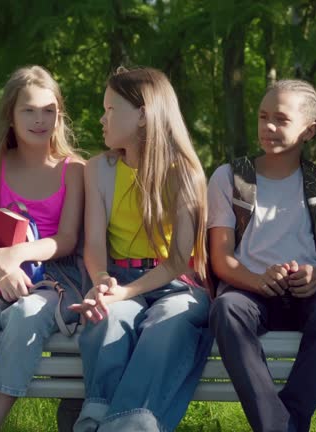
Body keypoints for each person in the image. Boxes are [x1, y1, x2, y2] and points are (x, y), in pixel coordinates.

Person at [70, 67, 213, 432]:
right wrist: (102, 280)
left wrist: (126, 292)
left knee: (169, 322)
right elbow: (94, 245)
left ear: (144, 115)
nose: (102, 119)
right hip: (117, 276)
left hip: (175, 283)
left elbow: (180, 259)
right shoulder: (98, 169)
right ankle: (96, 417)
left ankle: (128, 424)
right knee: (108, 318)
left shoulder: (183, 173)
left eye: (111, 109)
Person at [207, 79, 316, 432]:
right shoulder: (229, 178)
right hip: (249, 290)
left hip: (306, 295)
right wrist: (257, 279)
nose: (268, 127)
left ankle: (288, 421)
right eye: (263, 117)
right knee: (226, 309)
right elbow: (221, 260)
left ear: (309, 130)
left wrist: (314, 277)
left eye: (282, 119)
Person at [0, 65, 85, 432]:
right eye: (29, 110)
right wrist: (2, 268)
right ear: (10, 114)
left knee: (28, 314)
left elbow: (67, 238)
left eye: (48, 110)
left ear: (59, 114)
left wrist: (19, 255)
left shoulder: (74, 171)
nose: (40, 119)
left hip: (51, 283)